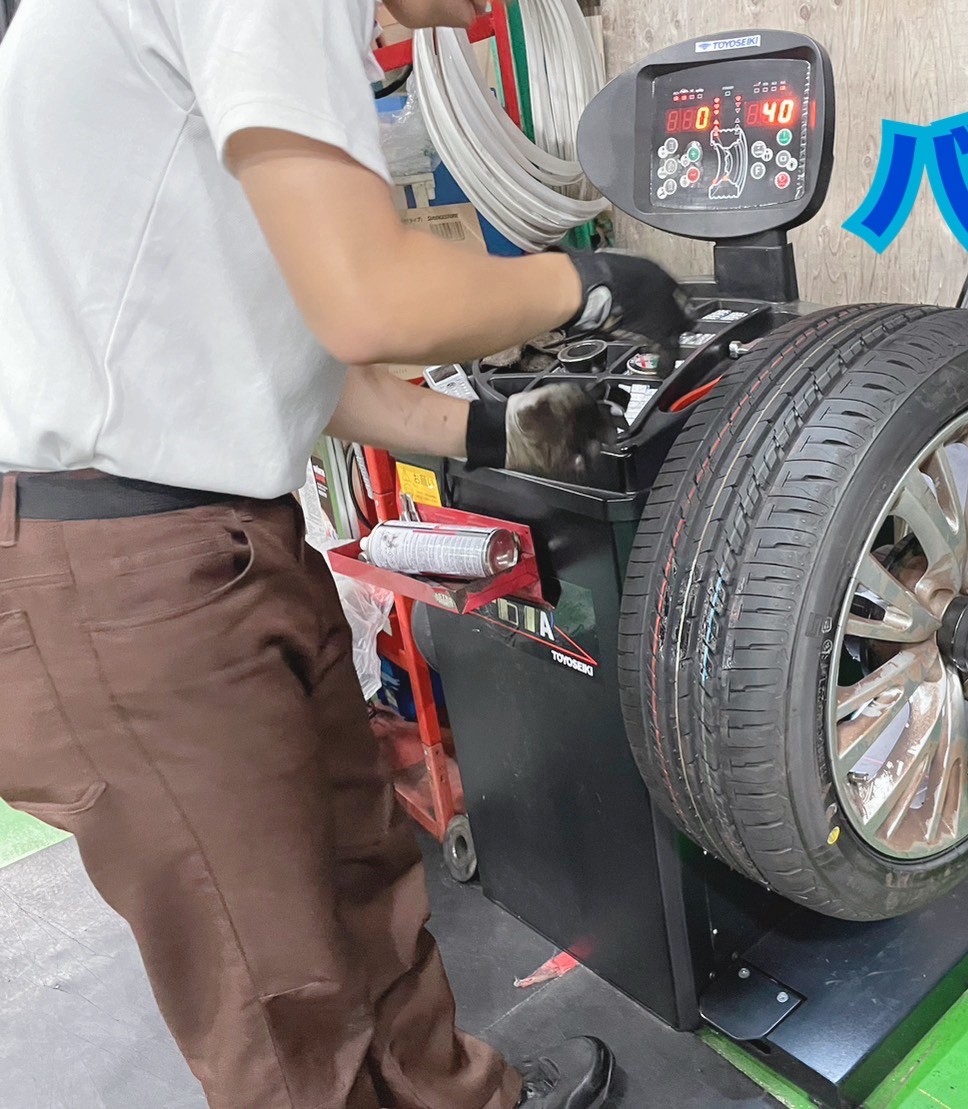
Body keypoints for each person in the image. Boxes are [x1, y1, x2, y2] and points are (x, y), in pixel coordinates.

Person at [0, 0, 689, 1106]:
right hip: (120, 565)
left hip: (213, 542)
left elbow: (307, 360)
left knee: (360, 876)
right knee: (278, 992)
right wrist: (586, 283)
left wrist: (497, 433)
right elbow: (371, 299)